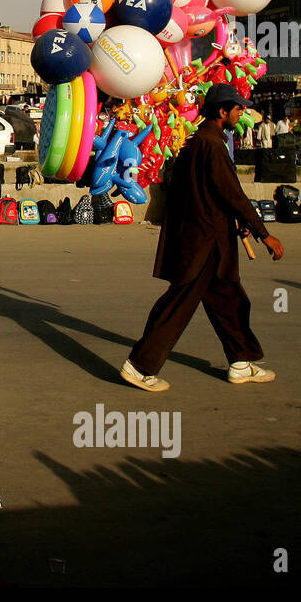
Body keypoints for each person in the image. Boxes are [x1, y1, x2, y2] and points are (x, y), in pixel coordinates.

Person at [121, 83, 285, 392]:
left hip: (208, 238)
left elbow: (209, 194)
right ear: (223, 111)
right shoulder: (210, 146)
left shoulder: (198, 143)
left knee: (230, 301)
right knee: (178, 304)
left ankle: (240, 362)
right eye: (237, 109)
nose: (241, 113)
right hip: (204, 244)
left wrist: (233, 221)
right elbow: (234, 195)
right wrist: (265, 235)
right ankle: (139, 366)